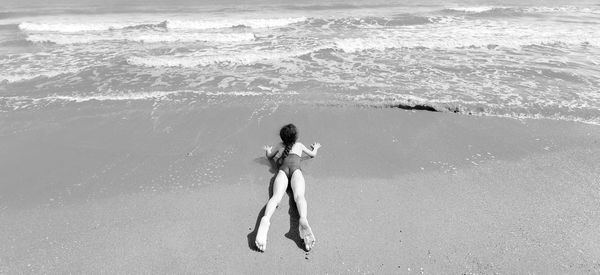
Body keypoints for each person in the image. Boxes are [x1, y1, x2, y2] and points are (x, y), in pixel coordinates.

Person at [255, 123, 321, 252]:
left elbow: (269, 156)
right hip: (296, 171)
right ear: (295, 137)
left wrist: (268, 150)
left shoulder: (279, 146)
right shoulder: (299, 145)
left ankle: (266, 218)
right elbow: (312, 154)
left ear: (282, 138)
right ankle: (303, 218)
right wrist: (316, 147)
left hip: (282, 172)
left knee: (275, 197)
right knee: (299, 197)